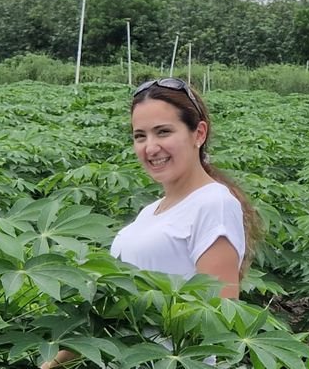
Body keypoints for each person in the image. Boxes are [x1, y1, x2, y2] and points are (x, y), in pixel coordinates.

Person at [40, 77, 261, 368]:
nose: (151, 147)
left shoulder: (214, 203)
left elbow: (218, 317)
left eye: (163, 132)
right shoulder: (150, 212)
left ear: (199, 133)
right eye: (140, 136)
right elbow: (109, 318)